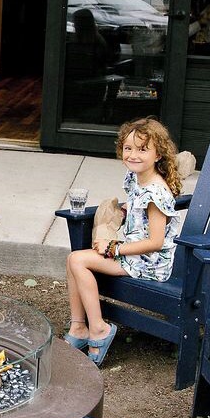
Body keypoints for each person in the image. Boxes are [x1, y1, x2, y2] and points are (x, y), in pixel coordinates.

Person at [64, 117, 183, 366]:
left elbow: (156, 242)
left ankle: (98, 329)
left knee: (78, 260)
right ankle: (78, 328)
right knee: (73, 261)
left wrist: (115, 247)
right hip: (134, 254)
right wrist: (121, 213)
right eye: (128, 148)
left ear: (158, 155)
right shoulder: (136, 179)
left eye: (142, 149)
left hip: (149, 262)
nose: (133, 155)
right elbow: (134, 208)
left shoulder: (155, 194)